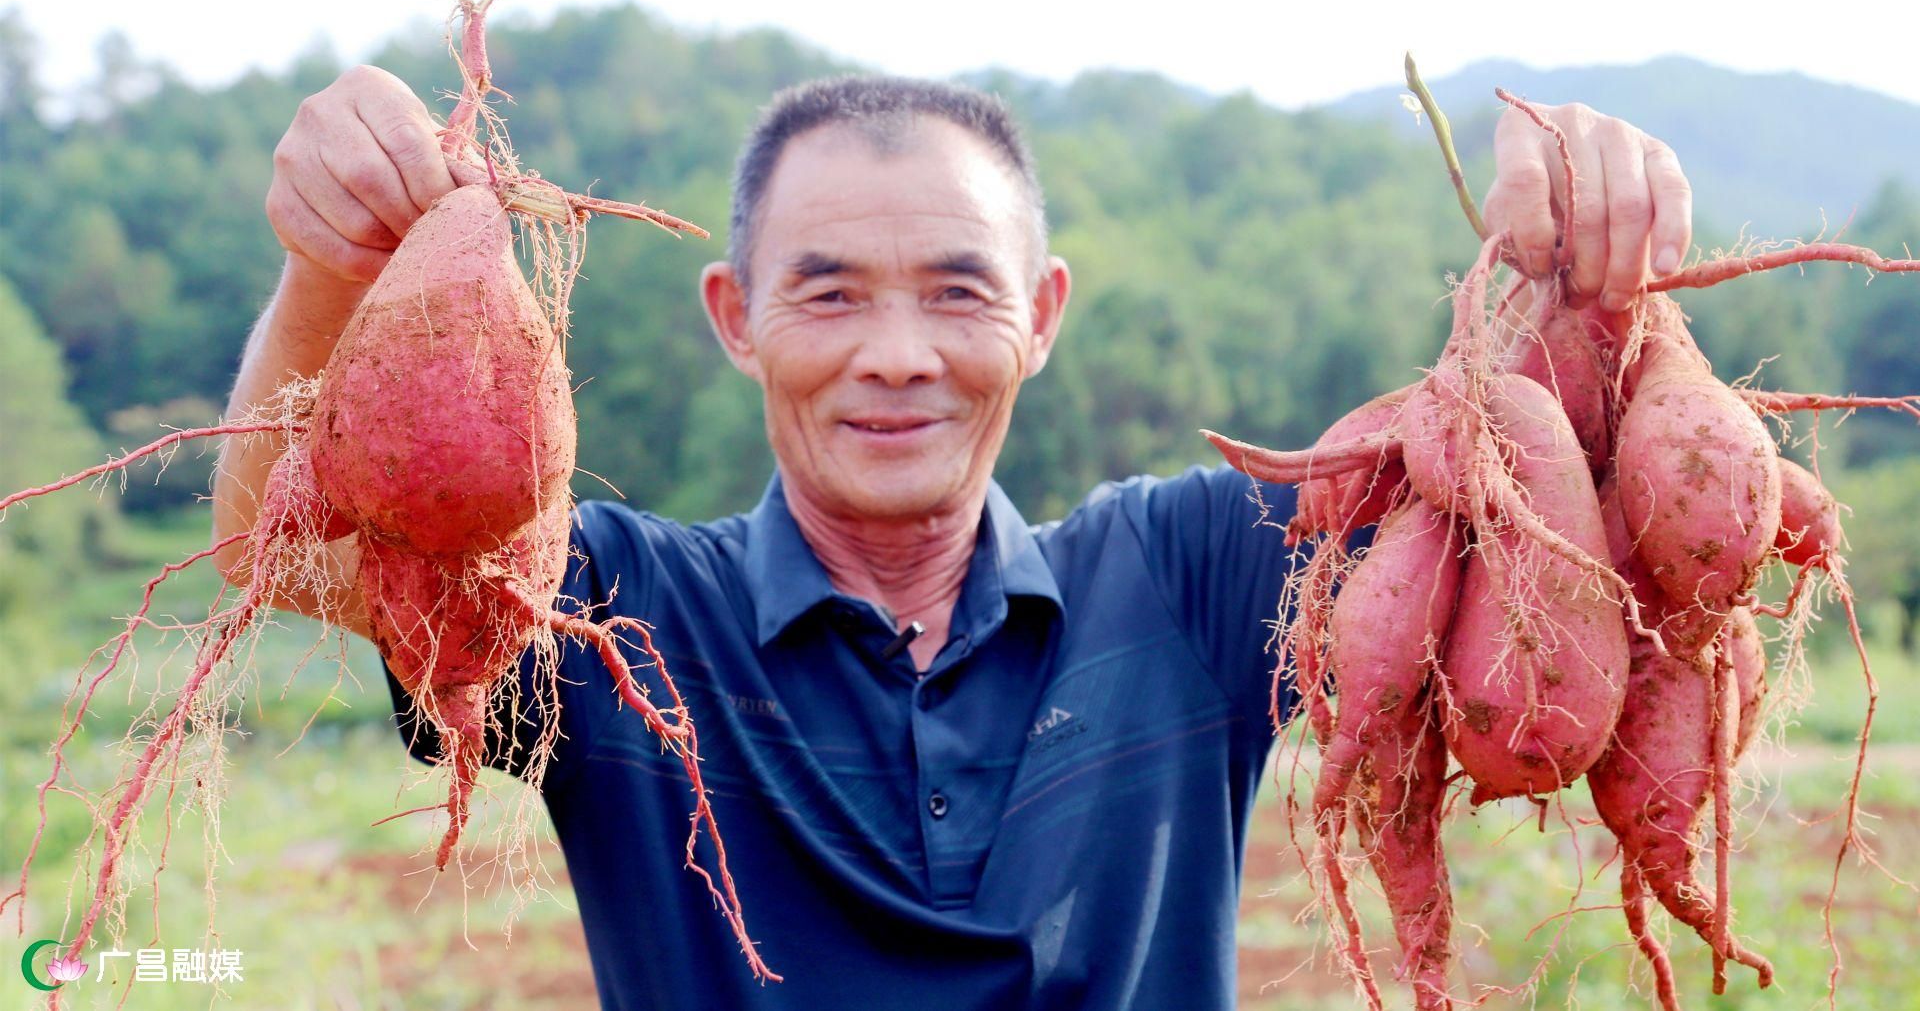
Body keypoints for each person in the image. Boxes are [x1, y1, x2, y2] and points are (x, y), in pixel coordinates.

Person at [213, 64, 1692, 1009]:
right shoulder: (624, 616)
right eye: (834, 291)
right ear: (738, 319)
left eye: (958, 292)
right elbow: (287, 552)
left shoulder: (1187, 575)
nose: (899, 354)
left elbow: (1547, 531)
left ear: (1042, 317)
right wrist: (330, 272)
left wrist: (1558, 277)